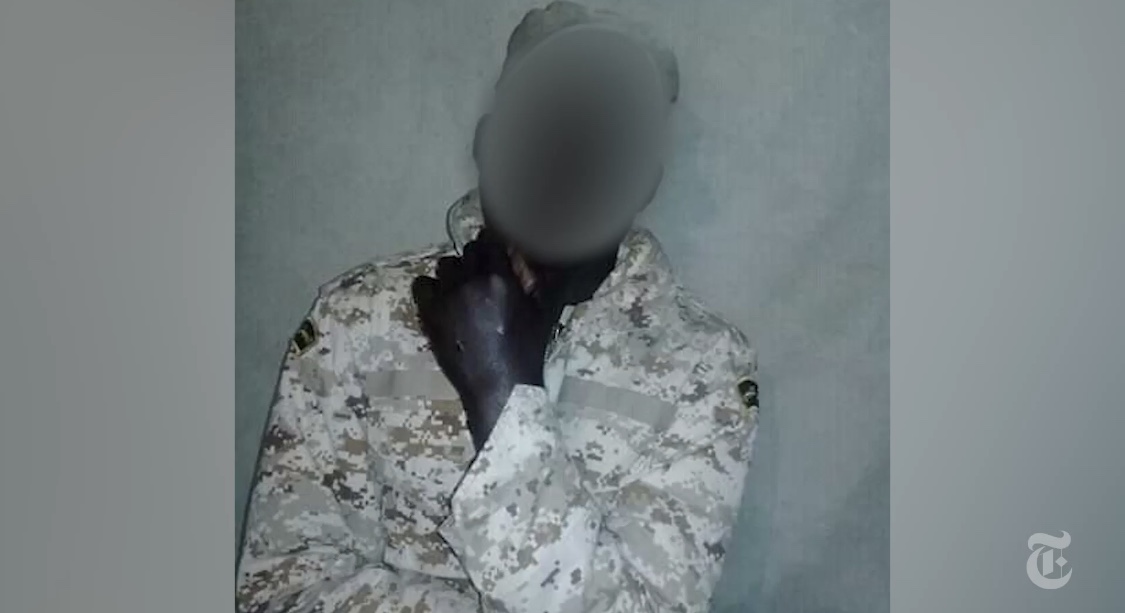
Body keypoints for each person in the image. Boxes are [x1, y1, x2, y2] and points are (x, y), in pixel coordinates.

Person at [236, 3, 760, 612]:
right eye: (544, 123)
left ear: (646, 179)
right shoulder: (354, 321)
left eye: (608, 135)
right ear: (488, 144)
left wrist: (504, 397)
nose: (571, 155)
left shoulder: (705, 368)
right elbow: (281, 590)